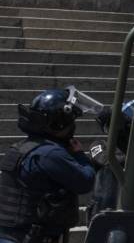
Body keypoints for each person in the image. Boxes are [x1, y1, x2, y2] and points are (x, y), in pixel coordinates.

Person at [0, 87, 97, 243]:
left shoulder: (19, 148)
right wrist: (80, 155)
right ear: (60, 122)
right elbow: (85, 182)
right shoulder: (50, 154)